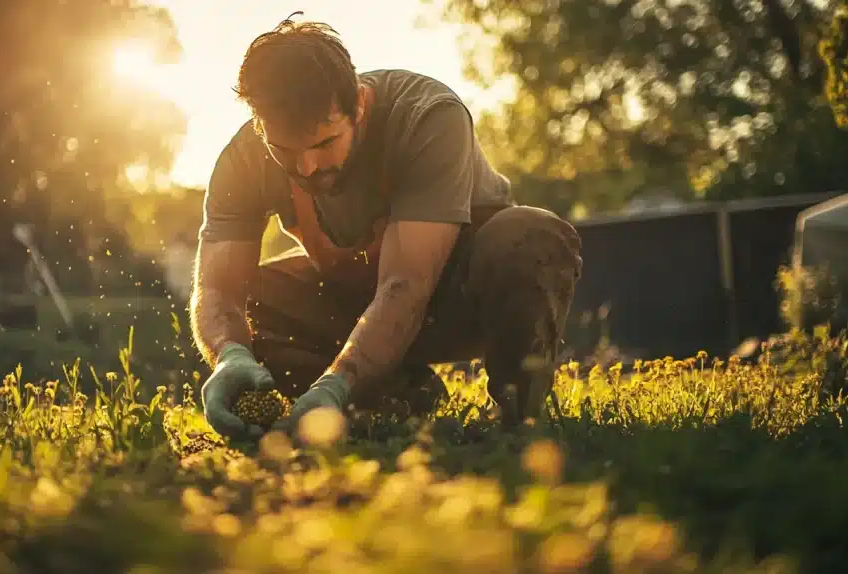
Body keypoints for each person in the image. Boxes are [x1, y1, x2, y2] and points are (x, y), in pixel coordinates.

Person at [189, 13, 583, 441]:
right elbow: (217, 289)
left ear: (359, 104)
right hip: (354, 298)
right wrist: (229, 355)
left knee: (527, 235)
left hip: (458, 297)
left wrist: (337, 380)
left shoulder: (429, 116)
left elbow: (406, 285)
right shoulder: (243, 157)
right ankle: (395, 397)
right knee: (255, 302)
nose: (306, 167)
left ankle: (517, 417)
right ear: (260, 124)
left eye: (324, 143)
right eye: (284, 149)